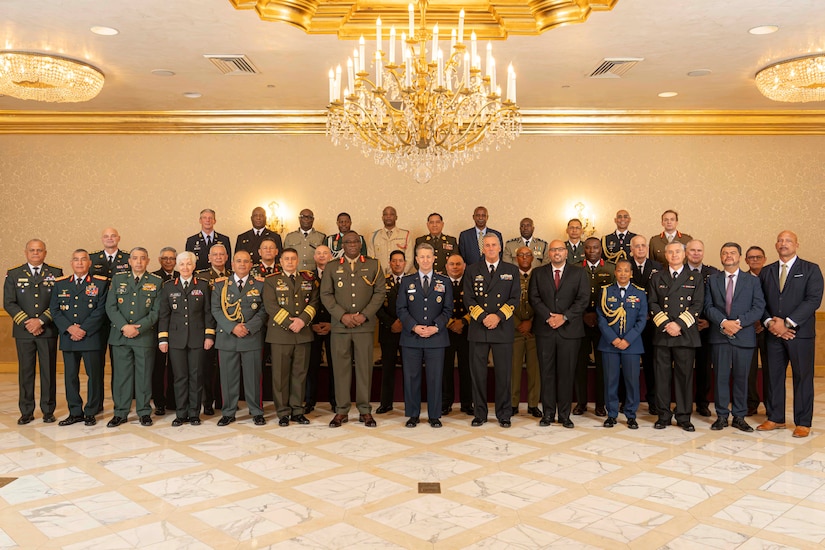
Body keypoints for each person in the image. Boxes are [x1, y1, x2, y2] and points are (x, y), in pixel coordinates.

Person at [757, 231, 823, 438]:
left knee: (802, 376)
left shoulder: (811, 269)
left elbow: (813, 300)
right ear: (776, 245)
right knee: (773, 376)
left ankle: (803, 422)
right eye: (780, 240)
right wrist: (770, 323)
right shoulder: (766, 271)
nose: (783, 244)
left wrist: (787, 323)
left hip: (799, 334)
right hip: (773, 333)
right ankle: (775, 417)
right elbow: (760, 302)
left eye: (788, 241)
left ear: (796, 245)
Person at [320, 231, 386, 428]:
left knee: (365, 370)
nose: (352, 245)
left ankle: (365, 411)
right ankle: (341, 411)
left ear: (360, 244)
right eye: (348, 242)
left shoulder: (373, 264)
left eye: (356, 241)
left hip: (364, 327)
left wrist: (364, 315)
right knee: (341, 370)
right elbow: (326, 294)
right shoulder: (332, 267)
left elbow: (380, 292)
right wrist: (342, 315)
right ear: (343, 245)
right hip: (340, 327)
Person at [704, 243, 765, 433]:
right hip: (720, 336)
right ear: (721, 257)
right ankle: (722, 416)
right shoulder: (712, 280)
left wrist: (738, 323)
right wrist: (724, 322)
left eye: (732, 253)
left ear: (739, 256)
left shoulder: (752, 281)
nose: (728, 256)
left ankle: (739, 416)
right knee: (721, 378)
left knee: (742, 378)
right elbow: (708, 306)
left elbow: (758, 306)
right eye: (724, 253)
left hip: (744, 335)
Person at [529, 240, 590, 428]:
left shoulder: (579, 273)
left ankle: (564, 415)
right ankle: (547, 414)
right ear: (549, 253)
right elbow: (534, 297)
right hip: (545, 330)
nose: (557, 252)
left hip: (569, 331)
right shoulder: (538, 273)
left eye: (560, 249)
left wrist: (564, 317)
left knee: (566, 374)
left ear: (566, 253)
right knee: (546, 373)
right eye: (554, 249)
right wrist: (549, 317)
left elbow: (583, 299)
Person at [463, 233, 520, 428]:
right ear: (482, 249)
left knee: (503, 374)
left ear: (500, 247)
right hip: (479, 328)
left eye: (493, 245)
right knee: (478, 374)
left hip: (502, 328)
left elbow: (514, 299)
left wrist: (498, 317)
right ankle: (480, 413)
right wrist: (483, 317)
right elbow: (468, 299)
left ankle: (504, 414)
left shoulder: (511, 270)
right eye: (487, 245)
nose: (490, 248)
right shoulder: (472, 270)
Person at [4, 239, 63, 425]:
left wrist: (41, 321)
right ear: (26, 252)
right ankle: (26, 411)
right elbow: (9, 303)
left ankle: (48, 410)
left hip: (47, 330)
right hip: (24, 331)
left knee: (48, 371)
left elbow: (58, 301)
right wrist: (28, 323)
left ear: (45, 253)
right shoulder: (13, 274)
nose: (36, 253)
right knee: (26, 372)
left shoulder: (55, 273)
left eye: (39, 250)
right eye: (32, 250)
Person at [648, 242, 704, 431]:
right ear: (665, 255)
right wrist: (666, 325)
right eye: (670, 252)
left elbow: (697, 305)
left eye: (677, 252)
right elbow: (653, 303)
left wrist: (678, 324)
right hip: (663, 334)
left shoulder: (695, 277)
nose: (674, 255)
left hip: (685, 334)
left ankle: (683, 416)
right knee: (661, 377)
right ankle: (663, 415)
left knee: (684, 377)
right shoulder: (657, 277)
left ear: (685, 254)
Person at [396, 243, 453, 428]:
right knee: (411, 377)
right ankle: (413, 415)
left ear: (434, 258)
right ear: (417, 259)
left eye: (429, 256)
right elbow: (401, 309)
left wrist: (436, 327)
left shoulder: (444, 282)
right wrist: (414, 327)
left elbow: (448, 309)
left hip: (436, 338)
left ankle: (434, 415)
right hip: (412, 338)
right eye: (422, 257)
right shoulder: (407, 281)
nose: (426, 260)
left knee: (435, 378)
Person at [50, 249, 109, 426]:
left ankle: (91, 411)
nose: (80, 263)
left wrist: (83, 329)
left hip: (91, 337)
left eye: (83, 260)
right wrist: (69, 328)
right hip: (69, 337)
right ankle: (75, 412)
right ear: (71, 263)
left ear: (89, 263)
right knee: (70, 377)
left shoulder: (100, 283)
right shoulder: (60, 284)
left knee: (94, 376)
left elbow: (101, 310)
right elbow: (55, 309)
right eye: (76, 260)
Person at [105, 247, 163, 427]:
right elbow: (111, 307)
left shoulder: (156, 282)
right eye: (135, 258)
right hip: (120, 336)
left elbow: (156, 311)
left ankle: (144, 412)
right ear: (129, 261)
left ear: (148, 261)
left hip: (143, 337)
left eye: (142, 258)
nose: (138, 262)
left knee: (144, 375)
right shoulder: (118, 279)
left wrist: (139, 328)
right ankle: (120, 412)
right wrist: (124, 326)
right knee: (121, 376)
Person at [157, 251, 215, 427]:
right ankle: (181, 413)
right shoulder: (168, 286)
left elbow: (208, 313)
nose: (185, 267)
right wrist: (163, 339)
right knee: (180, 377)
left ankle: (194, 413)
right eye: (181, 264)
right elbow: (164, 315)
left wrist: (209, 335)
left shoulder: (203, 285)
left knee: (196, 376)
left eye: (188, 264)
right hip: (175, 339)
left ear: (194, 266)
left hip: (198, 338)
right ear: (177, 266)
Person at [263, 248, 319, 426]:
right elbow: (270, 306)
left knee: (300, 374)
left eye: (293, 259)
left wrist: (302, 321)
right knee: (280, 376)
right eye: (286, 259)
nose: (289, 262)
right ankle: (283, 412)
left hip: (302, 333)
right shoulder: (272, 281)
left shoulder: (308, 279)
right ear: (280, 261)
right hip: (280, 334)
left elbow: (315, 301)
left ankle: (297, 410)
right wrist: (290, 323)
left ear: (297, 261)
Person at [211, 250, 268, 426]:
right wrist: (233, 327)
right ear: (232, 264)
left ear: (251, 265)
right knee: (228, 378)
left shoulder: (260, 284)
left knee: (253, 377)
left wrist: (248, 328)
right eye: (238, 261)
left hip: (251, 337)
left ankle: (256, 411)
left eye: (246, 261)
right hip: (228, 337)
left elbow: (264, 309)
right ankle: (228, 412)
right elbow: (216, 309)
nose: (242, 264)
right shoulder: (221, 284)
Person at [597, 259, 647, 429]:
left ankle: (631, 415)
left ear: (631, 273)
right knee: (610, 380)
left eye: (627, 271)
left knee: (632, 381)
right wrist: (614, 339)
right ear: (615, 273)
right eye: (620, 270)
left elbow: (642, 320)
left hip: (631, 345)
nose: (623, 274)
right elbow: (601, 318)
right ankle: (611, 414)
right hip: (609, 344)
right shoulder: (605, 291)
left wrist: (627, 340)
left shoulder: (639, 293)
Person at [575, 237, 614, 417]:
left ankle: (600, 404)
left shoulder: (611, 268)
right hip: (580, 322)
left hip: (603, 324)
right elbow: (570, 295)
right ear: (584, 249)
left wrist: (599, 316)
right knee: (579, 366)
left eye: (595, 248)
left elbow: (614, 298)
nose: (592, 251)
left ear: (601, 249)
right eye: (588, 248)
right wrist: (582, 315)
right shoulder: (575, 268)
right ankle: (581, 403)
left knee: (602, 366)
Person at [195, 242, 232, 415]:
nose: (218, 257)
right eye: (214, 255)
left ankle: (224, 401)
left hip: (228, 329)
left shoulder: (234, 275)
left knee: (227, 367)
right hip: (208, 329)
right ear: (209, 258)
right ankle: (208, 402)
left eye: (221, 254)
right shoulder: (201, 277)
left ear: (226, 257)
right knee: (207, 367)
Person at [686, 239, 719, 417]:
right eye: (692, 250)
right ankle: (684, 402)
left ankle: (702, 403)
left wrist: (709, 321)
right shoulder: (679, 271)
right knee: (683, 368)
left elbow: (718, 301)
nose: (696, 253)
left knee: (704, 368)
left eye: (699, 250)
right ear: (686, 252)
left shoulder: (713, 273)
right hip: (683, 329)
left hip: (706, 328)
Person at [629, 235, 662, 414]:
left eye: (643, 246)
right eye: (637, 246)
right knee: (628, 363)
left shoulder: (657, 267)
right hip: (630, 323)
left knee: (652, 363)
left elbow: (660, 294)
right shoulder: (625, 266)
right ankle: (627, 400)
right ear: (631, 249)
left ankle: (653, 401)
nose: (640, 249)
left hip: (651, 323)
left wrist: (651, 313)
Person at [510, 247, 542, 418]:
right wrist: (518, 323)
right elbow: (504, 300)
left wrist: (531, 322)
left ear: (532, 257)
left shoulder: (540, 275)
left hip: (534, 330)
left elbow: (545, 300)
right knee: (513, 369)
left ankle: (533, 404)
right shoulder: (509, 275)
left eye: (527, 255)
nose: (524, 257)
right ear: (516, 258)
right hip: (515, 330)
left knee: (534, 370)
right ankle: (513, 403)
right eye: (521, 255)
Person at [375, 250, 407, 414]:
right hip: (388, 331)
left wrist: (404, 323)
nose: (397, 264)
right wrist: (391, 323)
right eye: (394, 261)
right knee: (387, 369)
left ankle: (410, 403)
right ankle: (385, 403)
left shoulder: (411, 281)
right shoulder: (382, 281)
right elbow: (377, 307)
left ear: (405, 263)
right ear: (389, 263)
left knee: (409, 370)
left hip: (408, 332)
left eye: (400, 261)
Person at [305, 245, 335, 413]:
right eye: (319, 253)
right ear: (314, 256)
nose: (322, 256)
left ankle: (335, 401)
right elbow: (302, 301)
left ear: (330, 256)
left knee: (335, 366)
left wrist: (332, 324)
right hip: (312, 326)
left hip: (334, 326)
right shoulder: (306, 276)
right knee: (311, 366)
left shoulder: (339, 274)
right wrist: (311, 324)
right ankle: (309, 401)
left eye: (325, 253)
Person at [442, 254, 473, 416]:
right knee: (445, 368)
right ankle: (446, 402)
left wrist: (463, 322)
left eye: (458, 264)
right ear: (446, 266)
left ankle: (467, 403)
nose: (455, 267)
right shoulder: (440, 283)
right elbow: (435, 306)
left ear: (464, 265)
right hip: (445, 332)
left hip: (466, 331)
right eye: (452, 264)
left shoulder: (471, 282)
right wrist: (450, 323)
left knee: (466, 368)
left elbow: (476, 304)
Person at [151, 246, 179, 416]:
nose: (169, 261)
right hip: (158, 329)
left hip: (177, 330)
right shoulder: (153, 278)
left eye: (172, 259)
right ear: (160, 260)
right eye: (165, 258)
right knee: (158, 367)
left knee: (176, 367)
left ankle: (173, 400)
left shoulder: (180, 276)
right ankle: (159, 401)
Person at [744, 245, 769, 416]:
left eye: (758, 257)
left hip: (769, 330)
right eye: (751, 257)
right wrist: (751, 321)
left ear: (764, 259)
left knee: (771, 369)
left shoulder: (773, 276)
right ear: (746, 260)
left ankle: (771, 404)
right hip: (748, 330)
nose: (754, 260)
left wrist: (766, 321)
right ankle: (751, 403)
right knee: (748, 370)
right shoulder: (742, 278)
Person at [368, 206, 413, 275]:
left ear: (396, 217)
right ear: (382, 218)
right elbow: (371, 260)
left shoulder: (405, 235)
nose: (388, 217)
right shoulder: (374, 236)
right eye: (385, 214)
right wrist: (377, 275)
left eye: (391, 214)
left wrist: (400, 274)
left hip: (401, 278)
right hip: (380, 277)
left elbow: (409, 259)